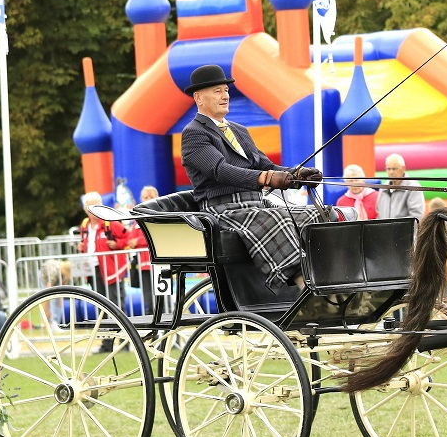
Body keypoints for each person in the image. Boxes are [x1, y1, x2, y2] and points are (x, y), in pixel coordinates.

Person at [180, 64, 323, 292]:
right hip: (223, 210)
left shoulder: (239, 131)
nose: (225, 96)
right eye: (217, 91)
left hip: (256, 205)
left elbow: (266, 166)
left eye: (226, 90)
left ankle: (327, 281)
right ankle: (305, 289)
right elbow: (220, 170)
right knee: (280, 219)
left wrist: (296, 175)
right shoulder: (194, 133)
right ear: (198, 97)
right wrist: (267, 178)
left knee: (315, 215)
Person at [79, 191, 131, 317]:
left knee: (115, 301)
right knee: (99, 301)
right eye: (88, 206)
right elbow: (85, 242)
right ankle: (104, 327)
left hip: (112, 268)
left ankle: (121, 326)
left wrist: (117, 244)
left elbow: (128, 237)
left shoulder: (110, 222)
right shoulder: (85, 225)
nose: (91, 210)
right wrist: (81, 246)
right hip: (93, 268)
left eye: (94, 206)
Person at [129, 185, 159, 314]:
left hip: (158, 263)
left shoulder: (159, 215)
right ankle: (151, 318)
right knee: (148, 296)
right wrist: (135, 242)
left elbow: (156, 236)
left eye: (150, 197)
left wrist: (139, 242)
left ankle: (165, 317)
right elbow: (130, 238)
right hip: (144, 264)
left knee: (160, 295)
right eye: (145, 197)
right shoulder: (138, 219)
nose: (147, 200)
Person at [375, 153, 425, 219]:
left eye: (394, 169)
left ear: (403, 168)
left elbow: (416, 216)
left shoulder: (413, 188)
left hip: (406, 226)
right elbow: (379, 214)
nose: (391, 172)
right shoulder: (383, 188)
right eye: (388, 169)